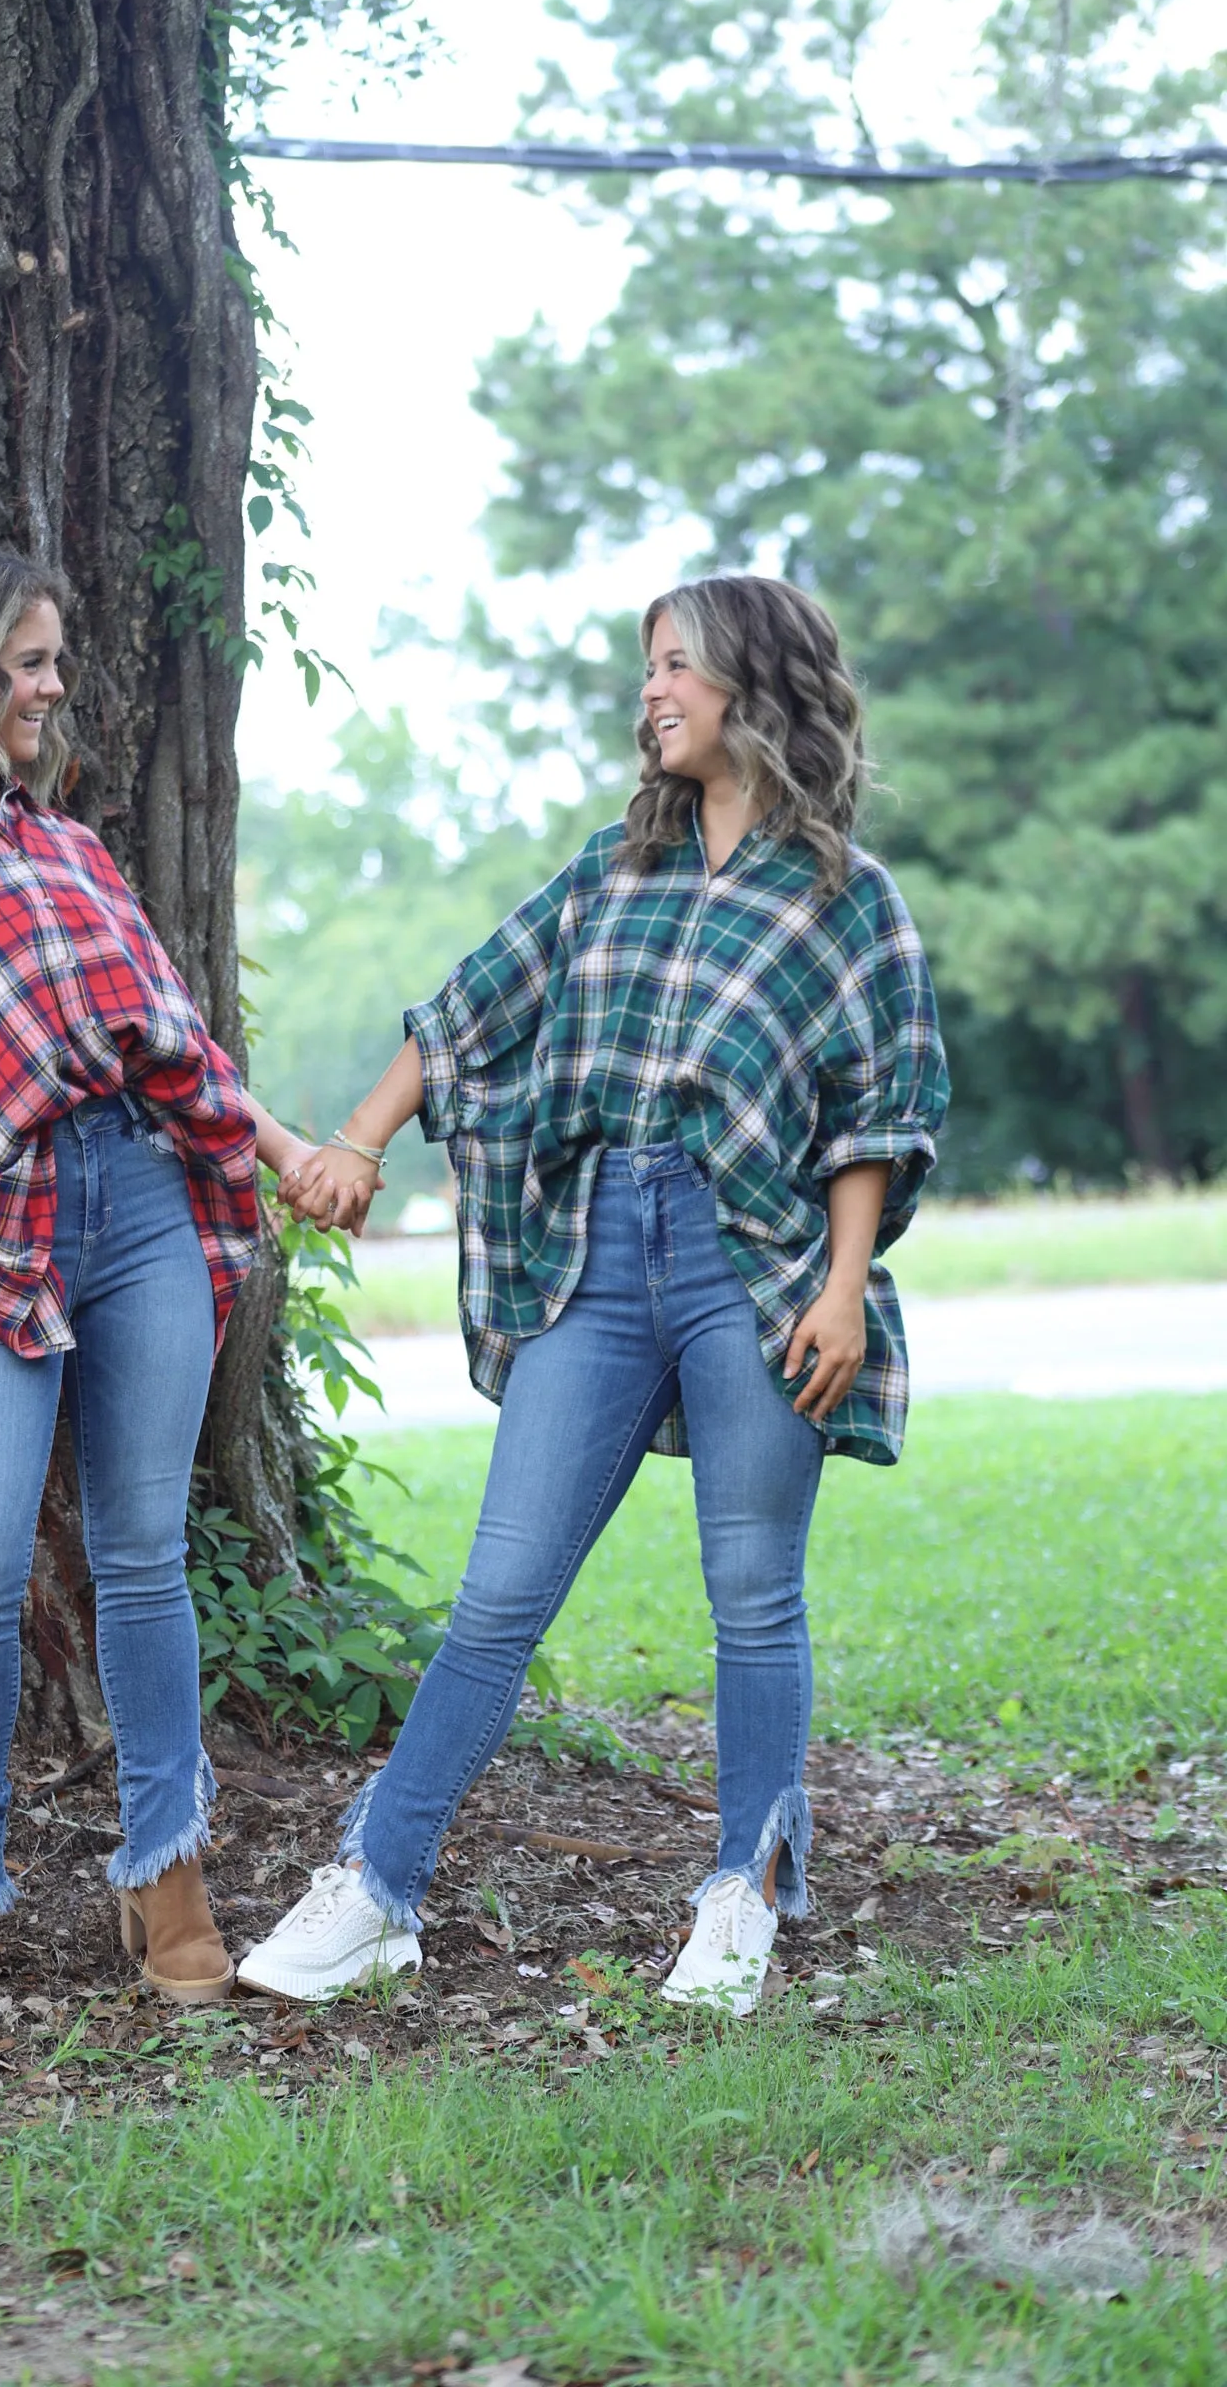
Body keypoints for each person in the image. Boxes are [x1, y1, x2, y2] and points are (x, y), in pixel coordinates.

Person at [240, 573, 948, 2015]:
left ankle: (742, 1892)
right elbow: (470, 1008)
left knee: (754, 1596)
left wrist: (843, 1286)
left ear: (754, 684)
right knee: (499, 1592)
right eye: (647, 674)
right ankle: (376, 1888)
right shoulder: (609, 871)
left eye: (676, 667)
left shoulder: (844, 902)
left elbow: (880, 1106)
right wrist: (361, 1141)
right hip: (596, 1255)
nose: (652, 696)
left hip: (758, 1266)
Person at [0, 544, 314, 2018]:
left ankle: (169, 1876)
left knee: (144, 1552)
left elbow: (180, 1046)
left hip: (141, 1197)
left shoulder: (73, 853)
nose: (51, 682)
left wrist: (284, 1153)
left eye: (53, 657)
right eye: (26, 658)